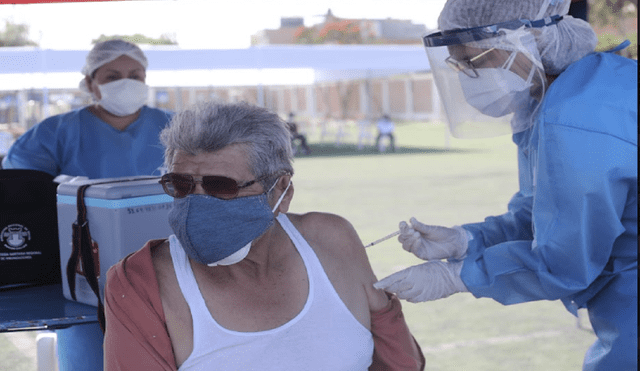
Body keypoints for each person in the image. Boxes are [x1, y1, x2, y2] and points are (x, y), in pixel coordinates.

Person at [374, 1, 637, 370]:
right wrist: (467, 239)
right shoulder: (577, 90)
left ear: (527, 37)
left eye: (475, 59)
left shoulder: (575, 118)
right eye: (458, 64)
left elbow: (563, 263)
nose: (468, 74)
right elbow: (544, 212)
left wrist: (457, 275)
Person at [103, 101, 425, 370]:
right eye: (181, 185)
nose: (196, 204)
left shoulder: (332, 238)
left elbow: (401, 363)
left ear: (281, 191)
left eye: (221, 186)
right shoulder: (139, 283)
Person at [1, 38, 172, 178]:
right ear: (90, 83)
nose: (126, 84)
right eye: (112, 77)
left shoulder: (174, 126)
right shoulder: (54, 133)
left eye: (135, 76)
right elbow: (22, 184)